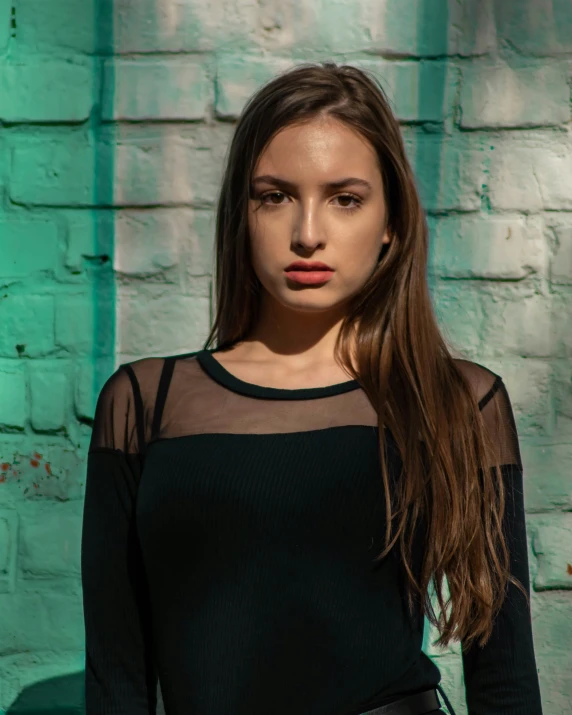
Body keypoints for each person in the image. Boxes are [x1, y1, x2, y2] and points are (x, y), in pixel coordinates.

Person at [81, 62, 543, 715]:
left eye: (344, 198)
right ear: (241, 214)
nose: (307, 234)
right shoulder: (144, 403)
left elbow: (504, 680)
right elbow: (115, 682)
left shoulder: (458, 401)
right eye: (274, 195)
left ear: (392, 222)